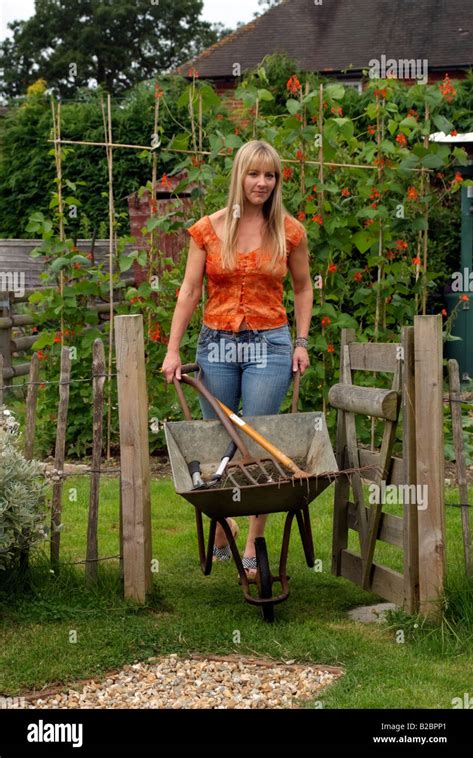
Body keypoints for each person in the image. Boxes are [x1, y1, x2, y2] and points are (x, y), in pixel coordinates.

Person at [161, 140, 313, 576]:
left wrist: (300, 343)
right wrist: (173, 350)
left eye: (270, 176)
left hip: (270, 344)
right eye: (254, 174)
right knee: (219, 438)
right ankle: (223, 522)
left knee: (256, 437)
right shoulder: (207, 230)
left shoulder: (290, 232)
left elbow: (303, 288)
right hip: (218, 346)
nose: (262, 183)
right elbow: (190, 291)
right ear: (239, 177)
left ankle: (253, 540)